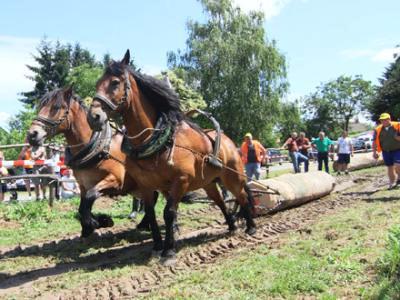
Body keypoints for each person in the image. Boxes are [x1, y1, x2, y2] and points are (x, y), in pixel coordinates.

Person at [372, 113, 400, 189]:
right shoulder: (377, 129)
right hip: (386, 151)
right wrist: (375, 152)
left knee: (398, 165)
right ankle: (392, 182)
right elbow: (374, 141)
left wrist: (398, 138)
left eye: (385, 120)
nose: (383, 121)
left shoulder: (397, 126)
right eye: (382, 120)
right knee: (390, 167)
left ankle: (399, 179)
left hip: (397, 150)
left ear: (389, 119)